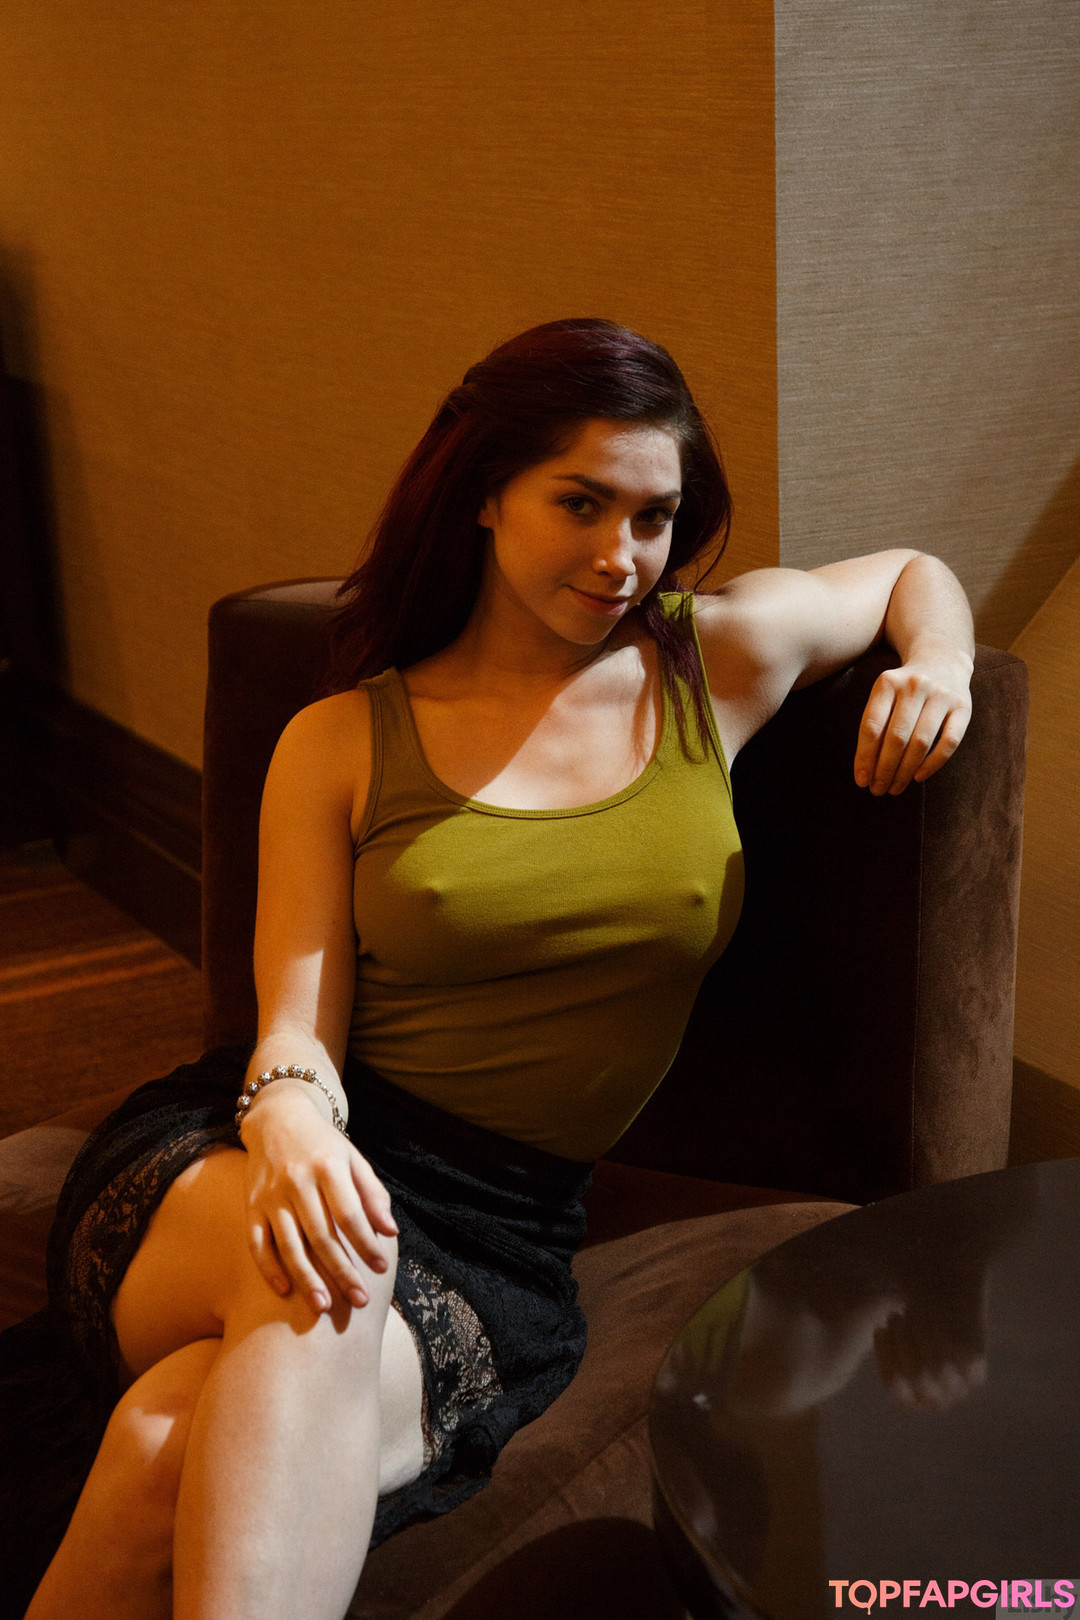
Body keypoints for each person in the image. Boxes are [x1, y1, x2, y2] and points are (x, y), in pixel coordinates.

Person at [18, 317, 974, 1619]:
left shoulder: (714, 663)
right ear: (482, 491)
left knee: (165, 1445)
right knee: (327, 1262)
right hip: (252, 1165)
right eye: (579, 503)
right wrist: (290, 1122)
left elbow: (912, 572)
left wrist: (942, 661)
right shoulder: (340, 741)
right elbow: (291, 1025)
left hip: (502, 1231)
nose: (621, 555)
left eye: (653, 517)